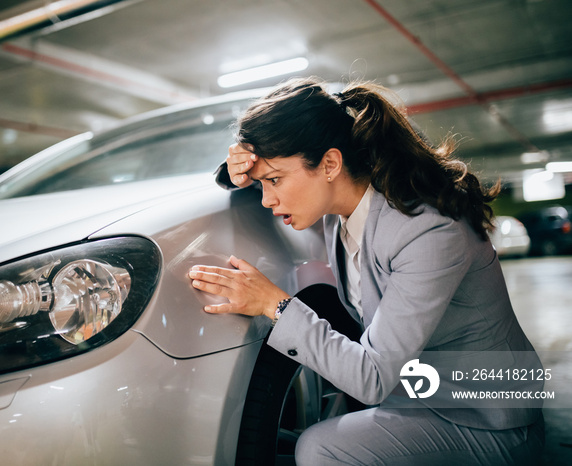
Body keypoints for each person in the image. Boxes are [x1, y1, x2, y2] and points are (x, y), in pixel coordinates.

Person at [188, 77, 545, 465]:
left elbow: (372, 378)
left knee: (319, 447)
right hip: (422, 391)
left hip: (487, 417)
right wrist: (234, 173)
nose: (268, 198)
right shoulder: (340, 207)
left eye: (274, 180)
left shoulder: (428, 231)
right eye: (262, 183)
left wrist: (274, 304)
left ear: (330, 164)